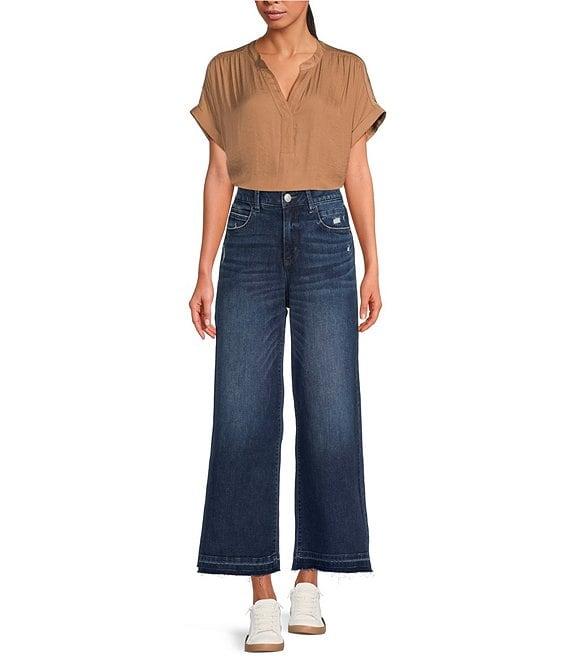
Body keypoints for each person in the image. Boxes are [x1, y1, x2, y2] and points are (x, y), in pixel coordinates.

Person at [189, 1, 386, 652]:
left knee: (330, 410)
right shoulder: (226, 69)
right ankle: (261, 593)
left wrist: (374, 263)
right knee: (243, 411)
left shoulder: (347, 69)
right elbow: (219, 173)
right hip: (248, 237)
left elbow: (357, 168)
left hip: (327, 235)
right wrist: (203, 269)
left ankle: (309, 580)